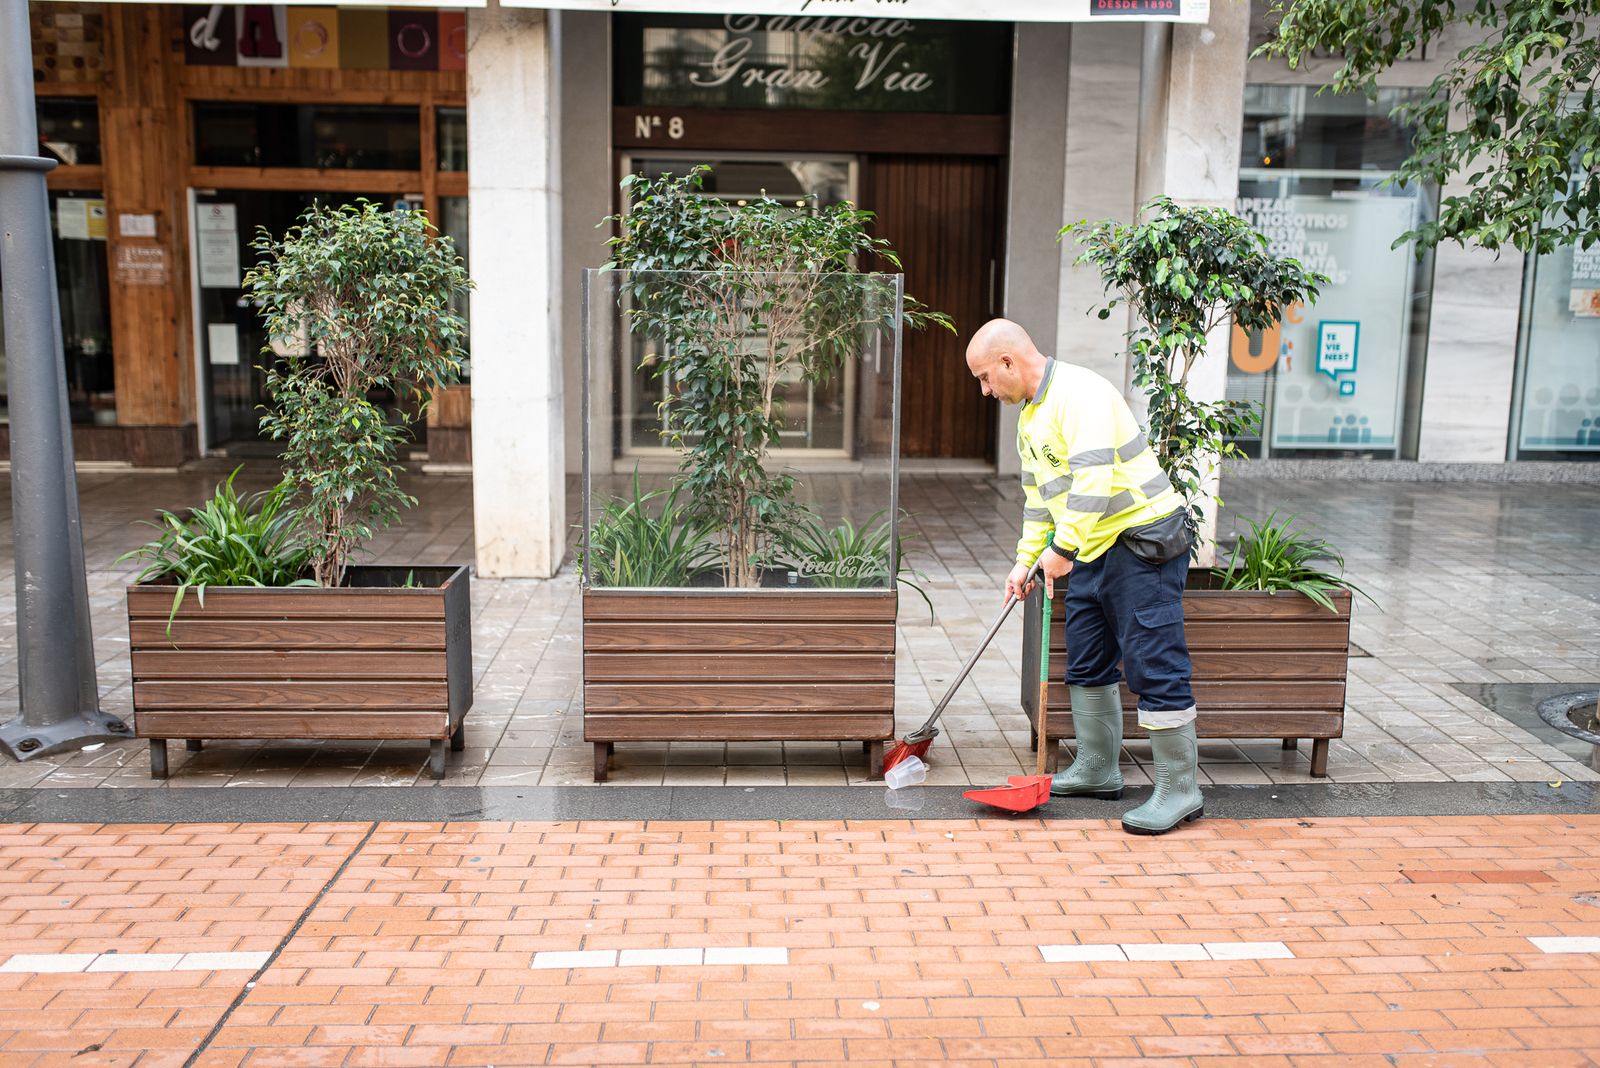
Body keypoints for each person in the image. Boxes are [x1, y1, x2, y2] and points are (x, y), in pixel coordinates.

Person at [965, 318, 1202, 834]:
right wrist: (1026, 560)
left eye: (985, 377)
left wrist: (1062, 550)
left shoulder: (1081, 394)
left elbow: (1094, 482)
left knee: (1154, 662)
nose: (985, 390)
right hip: (1093, 546)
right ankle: (1098, 769)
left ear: (1008, 362)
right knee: (1087, 660)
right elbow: (1039, 502)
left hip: (1142, 542)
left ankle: (1181, 788)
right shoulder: (1030, 417)